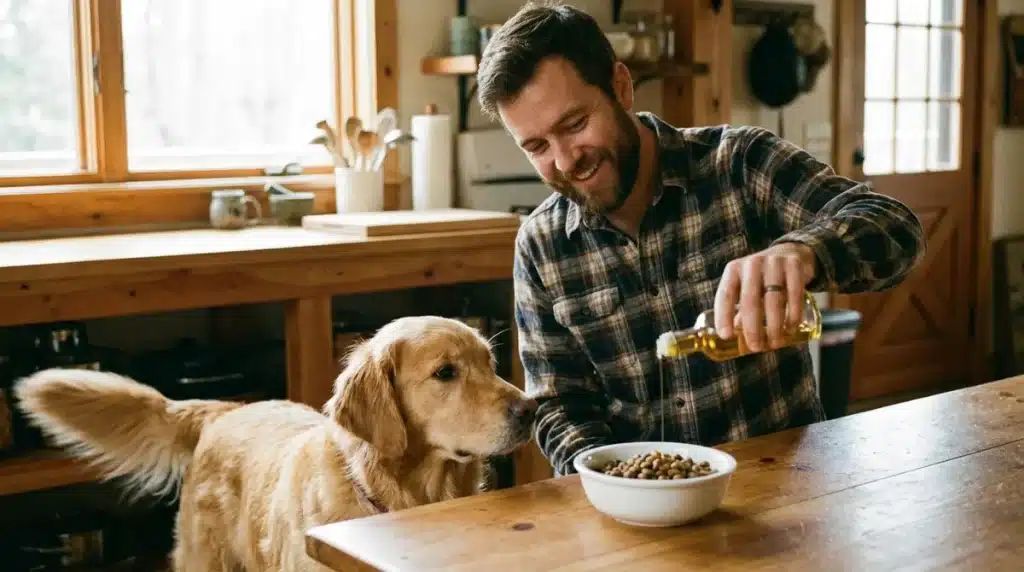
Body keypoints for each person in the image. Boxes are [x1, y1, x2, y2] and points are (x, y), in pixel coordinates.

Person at [476, 1, 925, 476]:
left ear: (621, 87)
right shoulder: (541, 245)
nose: (565, 161)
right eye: (537, 147)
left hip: (784, 488)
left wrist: (804, 252)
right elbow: (559, 405)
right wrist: (608, 480)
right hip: (635, 509)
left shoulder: (739, 164)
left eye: (575, 125)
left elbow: (897, 228)